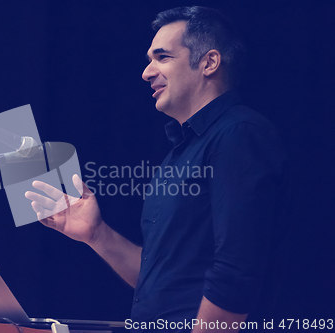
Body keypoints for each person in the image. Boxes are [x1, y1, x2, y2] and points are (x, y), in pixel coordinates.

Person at [25, 6, 288, 332]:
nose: (146, 72)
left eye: (162, 57)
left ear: (209, 63)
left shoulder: (239, 134)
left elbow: (236, 274)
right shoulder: (181, 152)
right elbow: (164, 281)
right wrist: (97, 234)